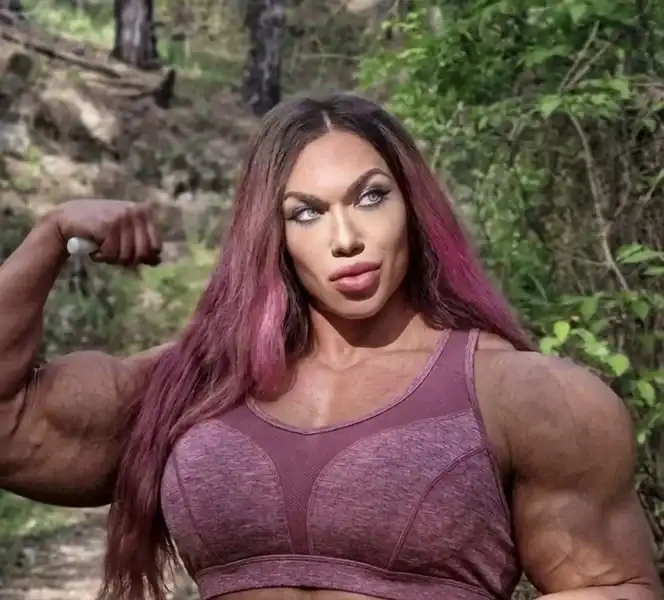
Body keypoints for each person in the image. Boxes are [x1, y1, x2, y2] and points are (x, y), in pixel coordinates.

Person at [0, 93, 660, 600]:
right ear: (272, 233)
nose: (346, 239)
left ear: (412, 208)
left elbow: (615, 587)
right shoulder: (195, 381)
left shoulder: (526, 397)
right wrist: (49, 238)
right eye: (307, 212)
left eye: (370, 197)